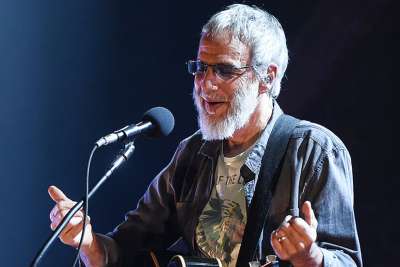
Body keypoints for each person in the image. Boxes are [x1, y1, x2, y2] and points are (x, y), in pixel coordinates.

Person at [48, 4, 362, 267]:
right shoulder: (193, 152)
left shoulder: (314, 151)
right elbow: (127, 247)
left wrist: (312, 256)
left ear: (267, 77)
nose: (205, 83)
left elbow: (348, 260)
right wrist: (87, 242)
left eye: (224, 70)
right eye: (200, 67)